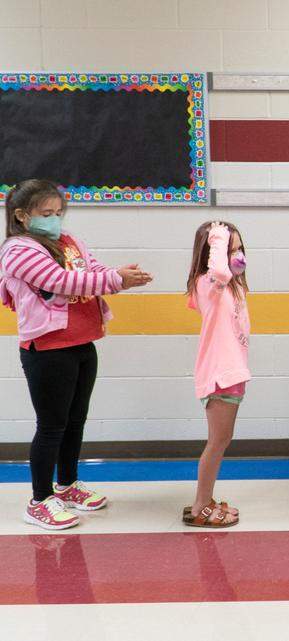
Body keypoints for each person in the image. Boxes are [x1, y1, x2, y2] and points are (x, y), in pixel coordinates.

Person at [0, 179, 152, 530]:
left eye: (58, 212)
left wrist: (118, 276)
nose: (55, 219)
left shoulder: (68, 242)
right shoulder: (18, 250)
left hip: (82, 343)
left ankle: (67, 484)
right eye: (46, 213)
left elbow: (91, 270)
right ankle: (39, 500)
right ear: (22, 216)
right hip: (48, 350)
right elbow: (62, 282)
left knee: (75, 421)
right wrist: (116, 279)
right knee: (51, 426)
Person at [183, 221, 250, 528]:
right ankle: (200, 506)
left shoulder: (230, 287)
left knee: (222, 439)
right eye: (229, 250)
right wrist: (218, 234)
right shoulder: (209, 283)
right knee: (218, 441)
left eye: (239, 249)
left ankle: (204, 500)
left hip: (233, 373)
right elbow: (220, 272)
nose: (238, 256)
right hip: (221, 374)